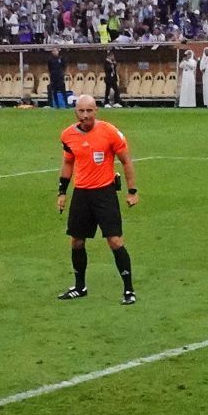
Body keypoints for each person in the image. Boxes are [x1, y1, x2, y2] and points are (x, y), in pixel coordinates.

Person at [55, 94, 139, 305]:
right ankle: (80, 286)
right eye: (81, 111)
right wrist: (62, 192)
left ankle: (129, 290)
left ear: (96, 111)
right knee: (76, 241)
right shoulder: (67, 136)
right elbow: (68, 163)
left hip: (104, 193)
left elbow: (126, 162)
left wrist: (132, 190)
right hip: (82, 194)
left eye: (89, 111)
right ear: (76, 112)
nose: (85, 115)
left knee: (115, 241)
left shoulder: (109, 132)